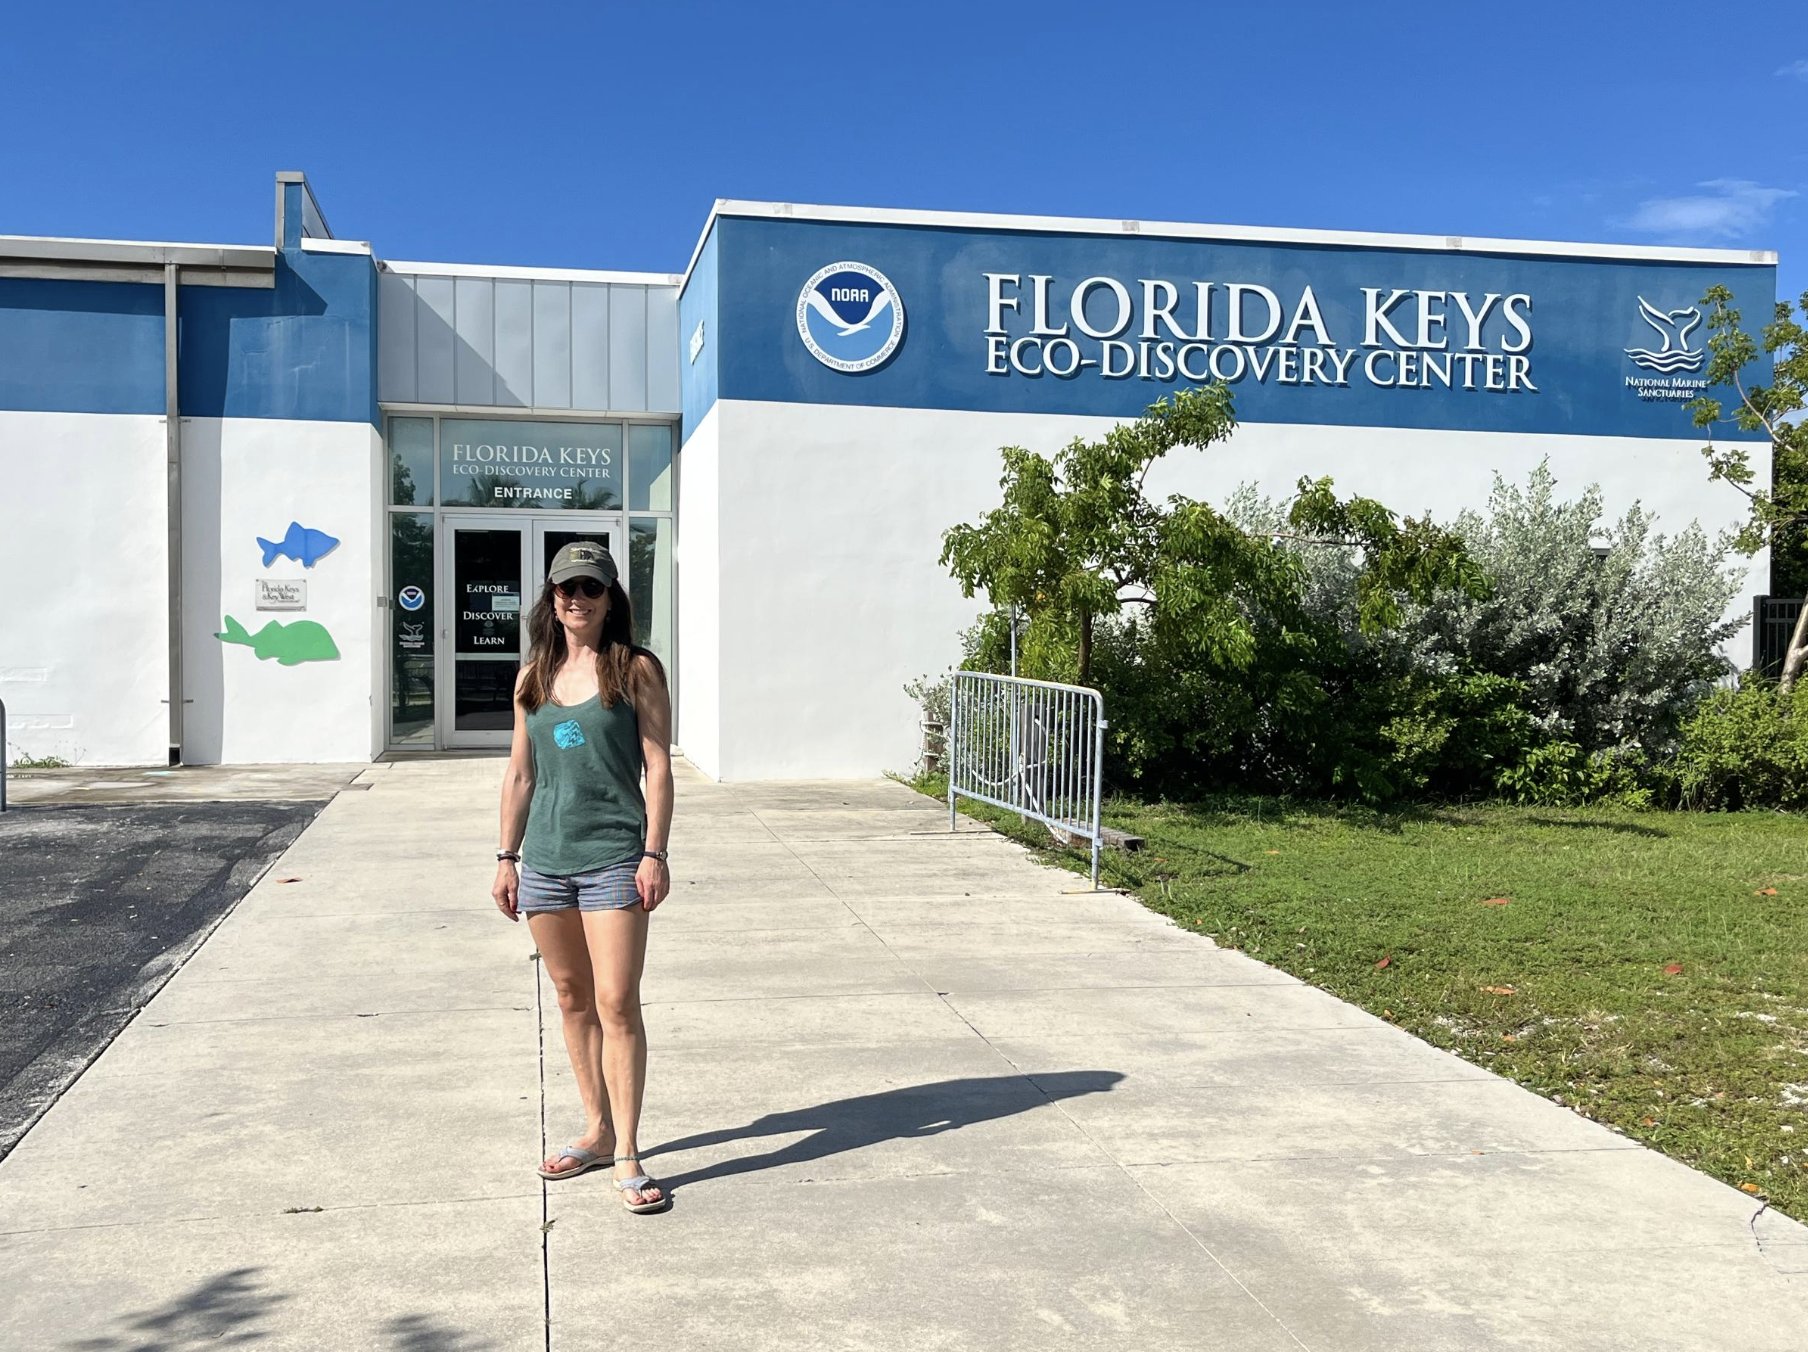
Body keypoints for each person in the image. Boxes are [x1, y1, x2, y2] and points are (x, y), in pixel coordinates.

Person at [491, 540, 673, 1215]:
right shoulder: (532, 677)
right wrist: (506, 859)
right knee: (571, 997)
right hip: (544, 861)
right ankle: (596, 1129)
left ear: (609, 599)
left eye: (590, 589)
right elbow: (519, 774)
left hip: (614, 859)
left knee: (617, 1000)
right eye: (567, 588)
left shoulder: (635, 669)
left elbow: (658, 765)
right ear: (552, 597)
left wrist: (654, 852)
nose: (577, 599)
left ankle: (627, 1150)